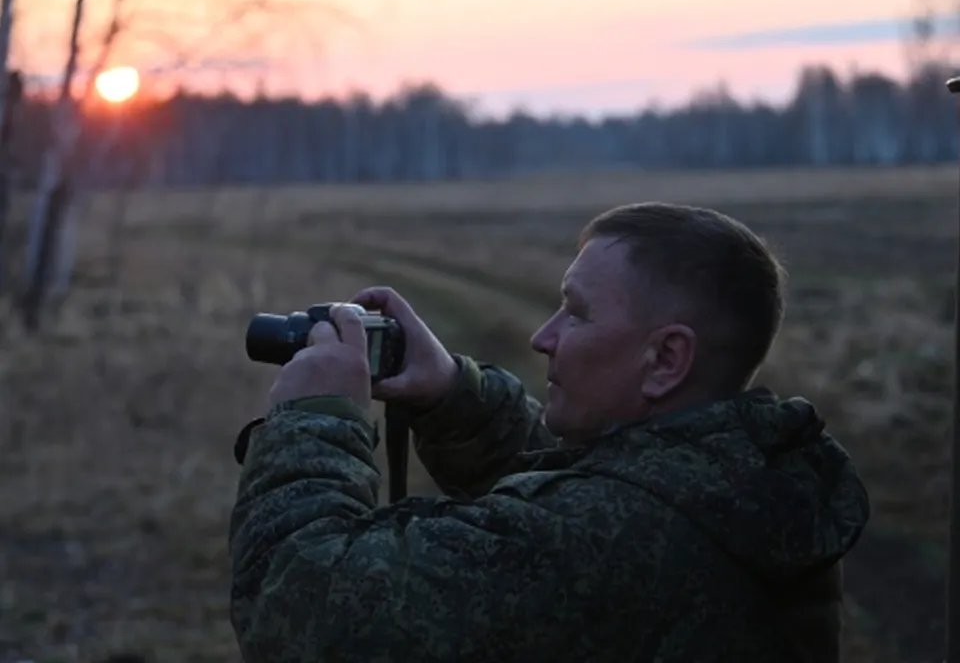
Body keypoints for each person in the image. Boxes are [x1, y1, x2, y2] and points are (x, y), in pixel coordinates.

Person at [228, 202, 870, 663]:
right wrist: (454, 394)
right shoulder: (738, 478)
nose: (543, 337)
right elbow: (593, 487)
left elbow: (303, 614)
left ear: (666, 360)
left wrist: (314, 422)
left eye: (578, 313)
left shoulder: (608, 537)